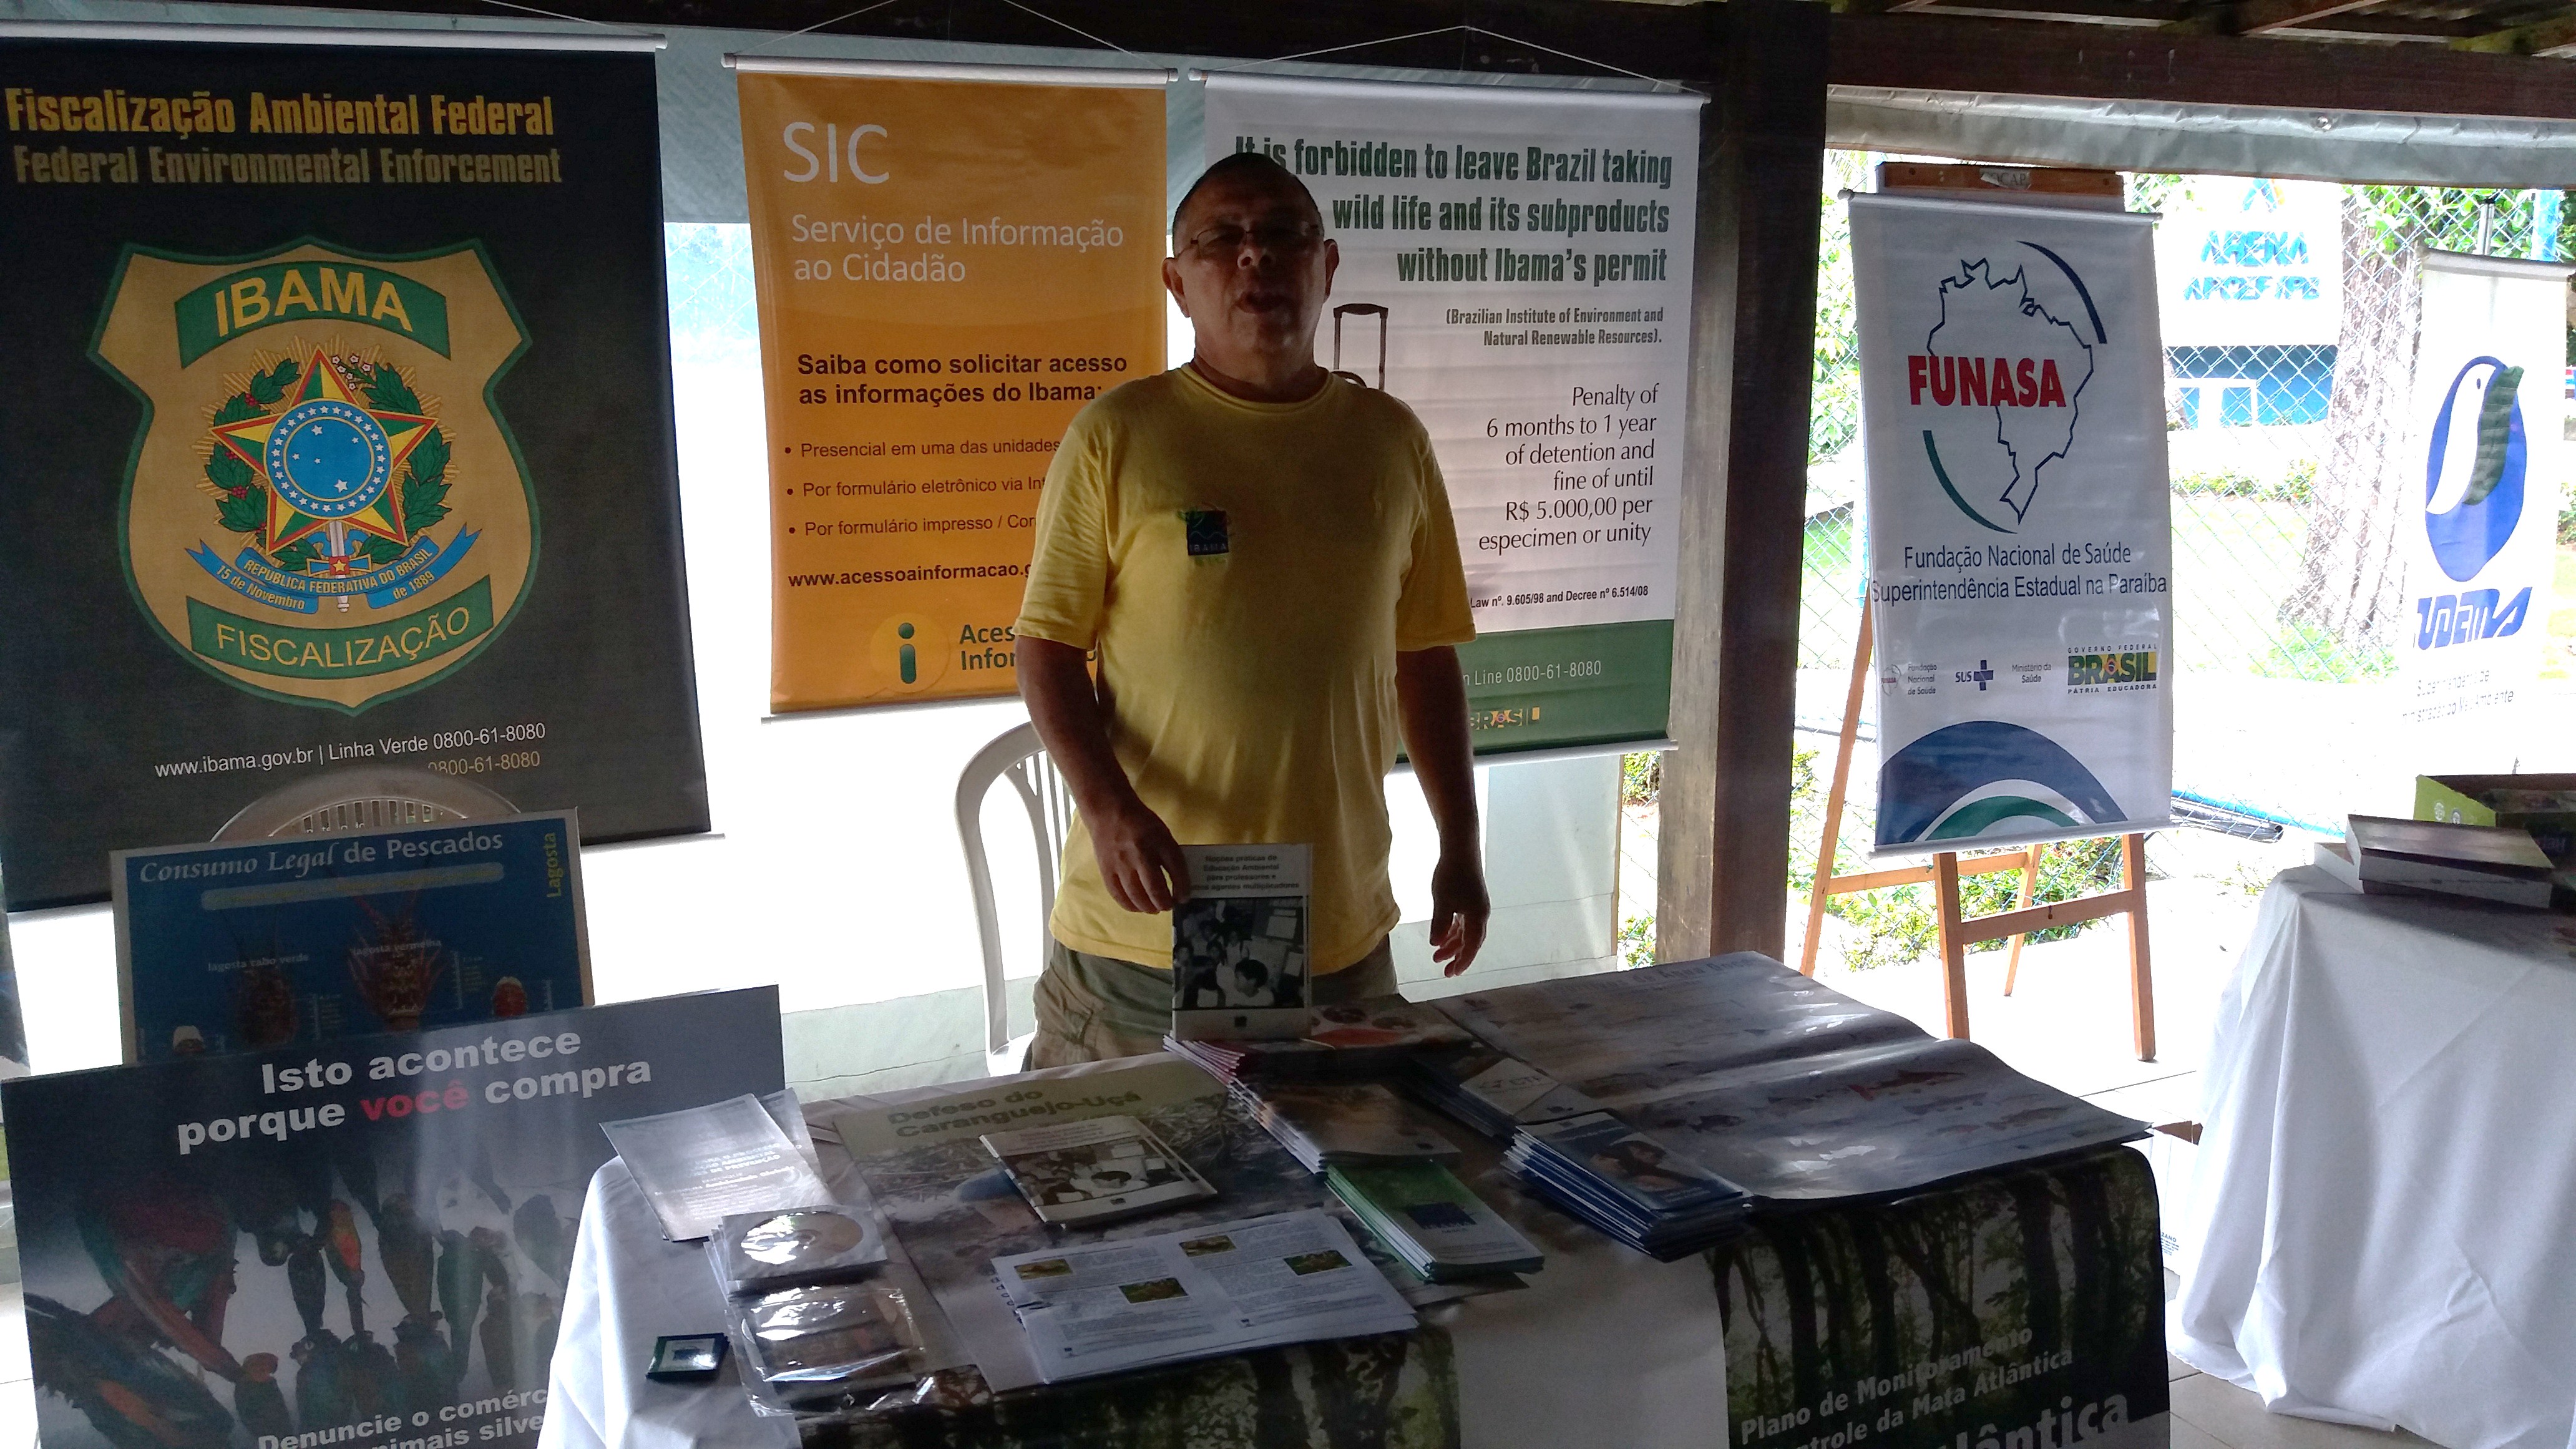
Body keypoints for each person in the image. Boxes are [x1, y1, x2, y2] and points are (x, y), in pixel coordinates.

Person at [1015, 152, 1488, 1067]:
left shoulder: (1390, 441)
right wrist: (1108, 809)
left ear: (1327, 265)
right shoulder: (1118, 436)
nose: (1253, 257)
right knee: (1145, 1150)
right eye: (1220, 240)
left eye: (1281, 235)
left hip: (1340, 925)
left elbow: (1425, 655)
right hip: (1157, 919)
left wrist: (1461, 845)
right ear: (1176, 283)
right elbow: (1046, 648)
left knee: (1343, 1146)